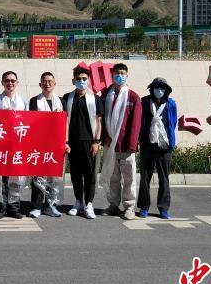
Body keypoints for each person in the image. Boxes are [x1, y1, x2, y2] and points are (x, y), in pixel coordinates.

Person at [100, 63, 142, 221]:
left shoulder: (133, 97)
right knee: (113, 176)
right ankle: (113, 204)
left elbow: (135, 124)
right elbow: (101, 119)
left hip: (126, 145)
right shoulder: (106, 95)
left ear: (127, 76)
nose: (120, 76)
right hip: (110, 144)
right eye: (117, 73)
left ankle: (129, 207)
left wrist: (132, 145)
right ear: (112, 75)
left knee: (129, 178)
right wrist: (104, 137)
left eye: (123, 73)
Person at [62, 66, 104, 220]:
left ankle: (89, 204)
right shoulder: (67, 97)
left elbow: (99, 121)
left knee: (90, 175)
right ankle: (78, 202)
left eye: (84, 79)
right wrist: (66, 141)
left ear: (89, 80)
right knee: (75, 174)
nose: (81, 81)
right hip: (72, 143)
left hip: (89, 142)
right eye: (78, 79)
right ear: (73, 81)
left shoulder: (95, 99)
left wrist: (96, 141)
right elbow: (64, 120)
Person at [0, 71, 28, 219]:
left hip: (17, 144)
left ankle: (14, 207)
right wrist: (2, 114)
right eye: (7, 80)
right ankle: (1, 206)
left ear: (17, 83)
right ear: (2, 83)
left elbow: (28, 122)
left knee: (16, 177)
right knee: (0, 178)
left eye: (12, 80)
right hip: (0, 144)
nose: (10, 83)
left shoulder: (23, 102)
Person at [137, 77, 177, 220]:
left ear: (166, 90)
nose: (159, 90)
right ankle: (144, 207)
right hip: (147, 145)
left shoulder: (171, 104)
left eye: (162, 88)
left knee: (164, 178)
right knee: (145, 177)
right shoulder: (144, 102)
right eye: (156, 88)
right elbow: (140, 122)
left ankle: (163, 208)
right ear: (151, 89)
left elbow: (173, 122)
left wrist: (168, 139)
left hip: (164, 147)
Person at [28, 72, 66, 218]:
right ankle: (36, 206)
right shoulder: (34, 101)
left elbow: (66, 123)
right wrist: (52, 116)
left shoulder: (61, 101)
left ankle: (51, 205)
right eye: (44, 81)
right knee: (38, 176)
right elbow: (33, 121)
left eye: (50, 81)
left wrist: (66, 142)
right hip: (40, 143)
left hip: (57, 144)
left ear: (54, 84)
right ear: (40, 84)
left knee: (54, 177)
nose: (47, 83)